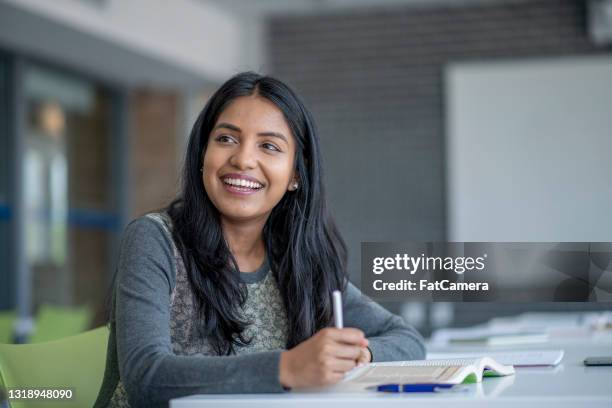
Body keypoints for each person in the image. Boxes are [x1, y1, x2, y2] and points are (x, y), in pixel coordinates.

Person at [94, 72, 425, 408]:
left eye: (268, 146)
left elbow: (407, 340)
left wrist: (358, 355)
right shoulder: (155, 239)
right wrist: (288, 367)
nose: (243, 159)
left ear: (296, 173)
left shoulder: (300, 262)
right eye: (226, 139)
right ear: (202, 153)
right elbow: (146, 378)